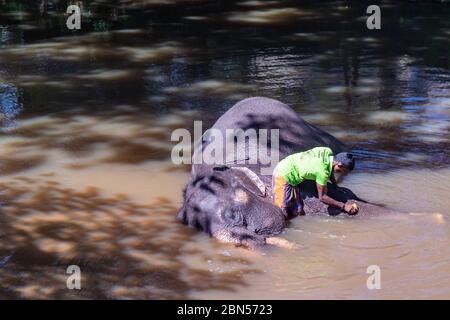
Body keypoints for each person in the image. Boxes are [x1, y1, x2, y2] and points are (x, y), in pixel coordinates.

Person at [272, 146, 358, 217]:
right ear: (339, 165)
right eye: (344, 171)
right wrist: (343, 206)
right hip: (283, 172)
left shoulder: (328, 151)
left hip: (291, 162)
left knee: (297, 211)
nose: (344, 174)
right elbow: (322, 197)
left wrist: (335, 185)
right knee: (282, 211)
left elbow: (330, 169)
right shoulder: (322, 172)